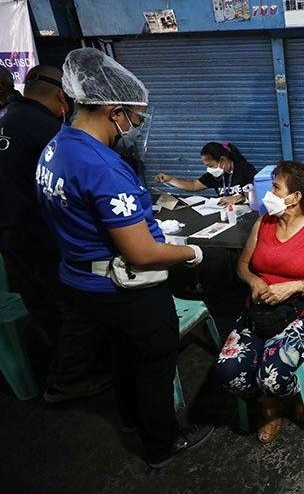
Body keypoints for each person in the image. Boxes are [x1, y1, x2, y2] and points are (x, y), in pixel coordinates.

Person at [35, 47, 213, 468]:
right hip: (122, 287)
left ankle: (132, 419)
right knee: (154, 359)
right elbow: (141, 252)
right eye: (135, 116)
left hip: (79, 281)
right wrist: (191, 252)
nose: (136, 126)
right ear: (114, 110)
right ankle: (161, 444)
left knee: (120, 353)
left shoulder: (56, 148)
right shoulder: (103, 166)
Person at [0, 64, 109, 402]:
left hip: (10, 239)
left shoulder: (8, 120)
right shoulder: (47, 130)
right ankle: (66, 381)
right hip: (39, 238)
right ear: (63, 96)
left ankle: (56, 366)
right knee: (77, 308)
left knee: (43, 306)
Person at [215, 160, 304, 444]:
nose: (268, 192)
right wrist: (255, 281)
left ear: (294, 198)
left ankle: (288, 398)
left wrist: (294, 287)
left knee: (272, 377)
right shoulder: (264, 223)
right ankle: (271, 405)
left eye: (275, 187)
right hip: (260, 310)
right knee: (227, 372)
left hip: (303, 313)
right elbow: (243, 266)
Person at [154, 141, 256, 206]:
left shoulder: (245, 169)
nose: (209, 170)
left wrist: (240, 197)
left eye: (211, 166)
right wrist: (170, 179)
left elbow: (257, 193)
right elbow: (193, 185)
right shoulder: (214, 176)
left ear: (223, 160)